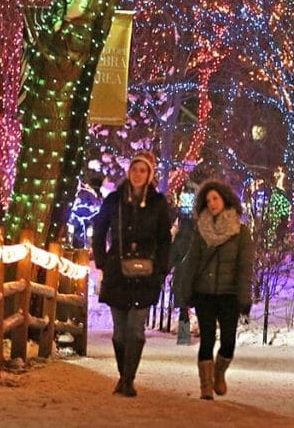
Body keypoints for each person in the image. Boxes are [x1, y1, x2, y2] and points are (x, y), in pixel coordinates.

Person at [92, 151, 173, 397]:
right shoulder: (114, 200)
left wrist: (161, 268)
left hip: (145, 275)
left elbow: (164, 239)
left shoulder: (158, 203)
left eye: (143, 170)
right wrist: (103, 260)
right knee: (119, 334)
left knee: (136, 331)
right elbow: (99, 230)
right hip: (118, 273)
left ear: (149, 175)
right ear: (129, 172)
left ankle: (128, 380)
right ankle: (123, 375)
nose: (138, 174)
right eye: (135, 169)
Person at [175, 180, 254, 400]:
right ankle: (205, 387)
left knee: (228, 341)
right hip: (205, 293)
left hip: (229, 295)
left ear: (225, 199)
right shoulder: (201, 232)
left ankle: (219, 373)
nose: (211, 203)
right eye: (208, 200)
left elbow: (245, 267)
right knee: (207, 339)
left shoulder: (241, 232)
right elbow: (191, 263)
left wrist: (244, 296)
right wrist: (186, 291)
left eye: (215, 198)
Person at [170, 209, 195, 345]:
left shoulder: (179, 240)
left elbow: (171, 258)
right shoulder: (197, 238)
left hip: (182, 277)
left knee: (184, 309)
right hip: (196, 276)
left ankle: (184, 337)